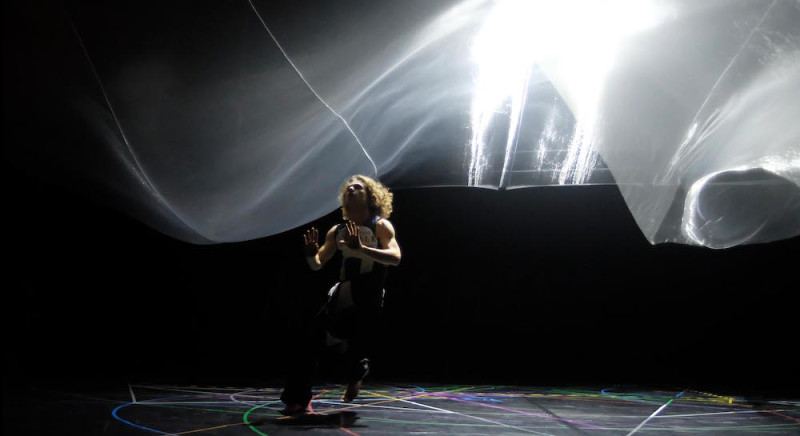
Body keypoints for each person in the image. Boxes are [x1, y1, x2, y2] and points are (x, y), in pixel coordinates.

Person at [280, 175, 402, 416]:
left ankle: (358, 369)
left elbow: (396, 258)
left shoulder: (381, 226)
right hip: (344, 290)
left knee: (349, 346)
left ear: (370, 196)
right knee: (311, 338)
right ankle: (296, 399)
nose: (352, 189)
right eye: (349, 187)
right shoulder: (337, 231)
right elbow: (317, 264)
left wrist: (363, 248)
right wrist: (310, 254)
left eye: (359, 187)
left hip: (369, 292)